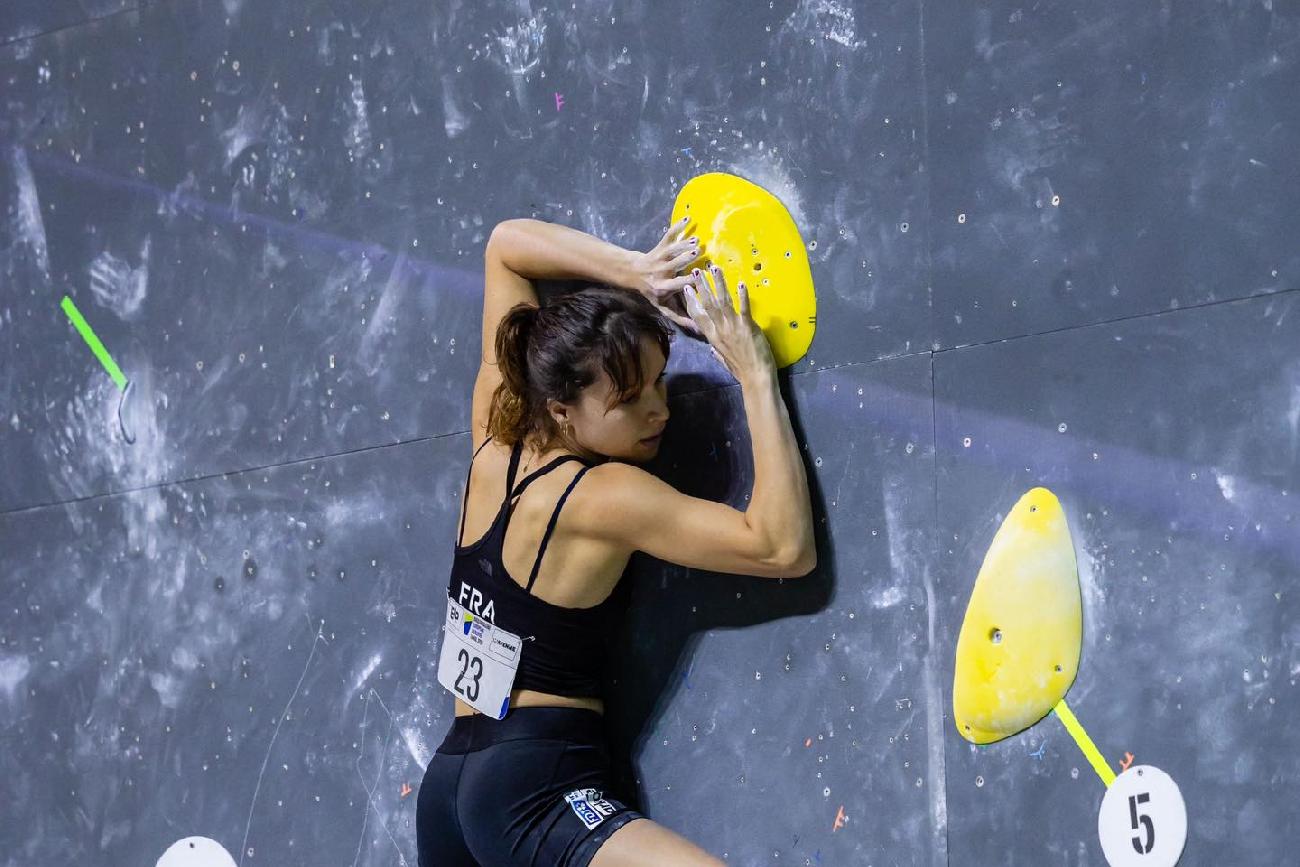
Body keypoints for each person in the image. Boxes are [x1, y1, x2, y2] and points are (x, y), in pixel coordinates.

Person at [416, 216, 816, 866]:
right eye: (630, 400)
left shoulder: (493, 438)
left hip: (450, 787)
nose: (659, 409)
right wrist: (756, 376)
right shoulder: (602, 498)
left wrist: (634, 272)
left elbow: (504, 248)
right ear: (562, 410)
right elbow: (781, 547)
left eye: (660, 381)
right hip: (533, 785)